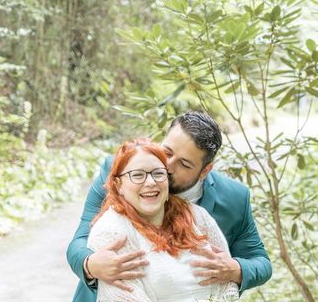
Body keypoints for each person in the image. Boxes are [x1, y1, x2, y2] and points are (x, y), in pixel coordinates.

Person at [67, 111, 272, 302]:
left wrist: (235, 269)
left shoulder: (234, 198)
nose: (168, 166)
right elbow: (81, 238)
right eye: (167, 152)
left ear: (204, 170)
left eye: (184, 164)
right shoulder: (122, 170)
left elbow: (260, 262)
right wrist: (90, 265)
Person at [88, 138, 239, 301]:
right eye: (137, 175)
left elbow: (227, 282)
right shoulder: (111, 231)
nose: (151, 182)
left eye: (158, 173)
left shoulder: (197, 216)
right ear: (119, 185)